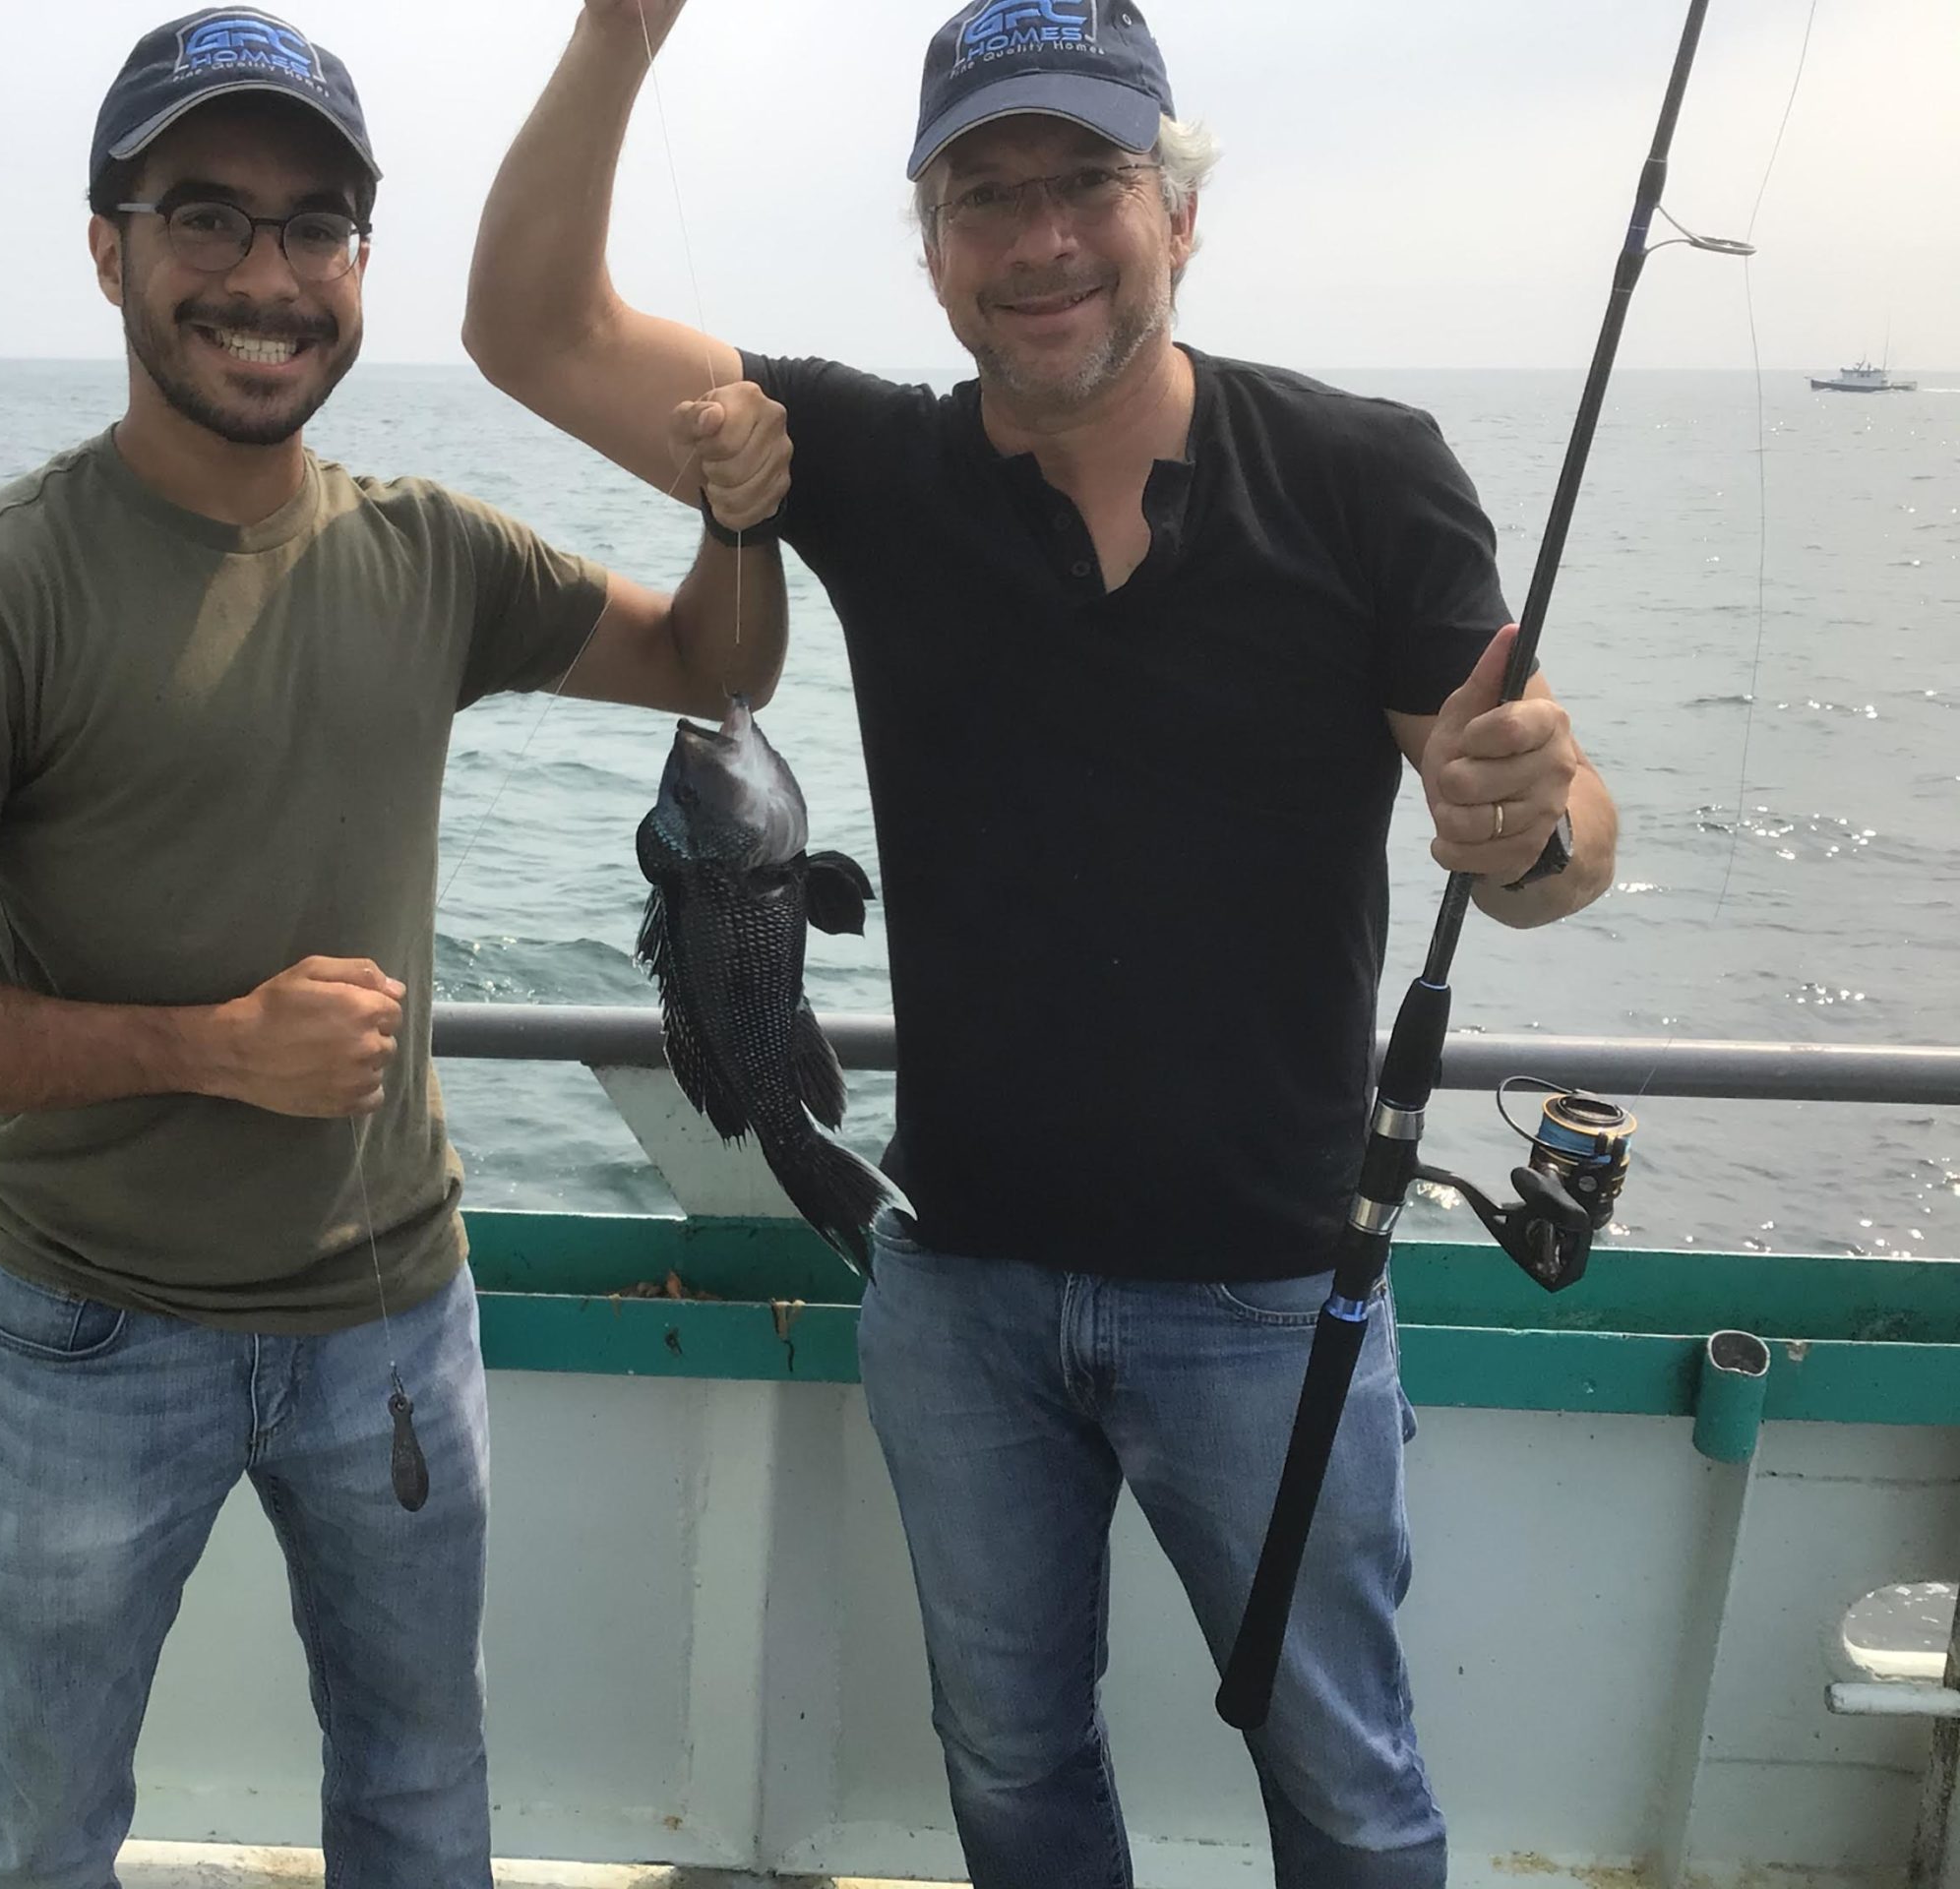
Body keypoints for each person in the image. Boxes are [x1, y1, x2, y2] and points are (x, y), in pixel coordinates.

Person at [463, 2, 1620, 1884]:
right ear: (931, 247)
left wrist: (1541, 818)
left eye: (1086, 181)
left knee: (1347, 1776)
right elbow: (529, 328)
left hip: (1268, 1291)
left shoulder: (1362, 471)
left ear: (1177, 212)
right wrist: (616, 34)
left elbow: (1540, 830)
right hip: (959, 1283)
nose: (1040, 238)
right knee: (1007, 1766)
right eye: (982, 195)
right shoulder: (865, 463)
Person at [0, 10, 793, 1886]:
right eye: (206, 217)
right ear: (111, 247)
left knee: (419, 1809)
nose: (267, 275)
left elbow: (717, 667)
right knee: (41, 1830)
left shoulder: (433, 555)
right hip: (86, 1326)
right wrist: (207, 1046)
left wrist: (742, 512)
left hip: (395, 1316)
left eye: (317, 225)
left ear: (360, 266)